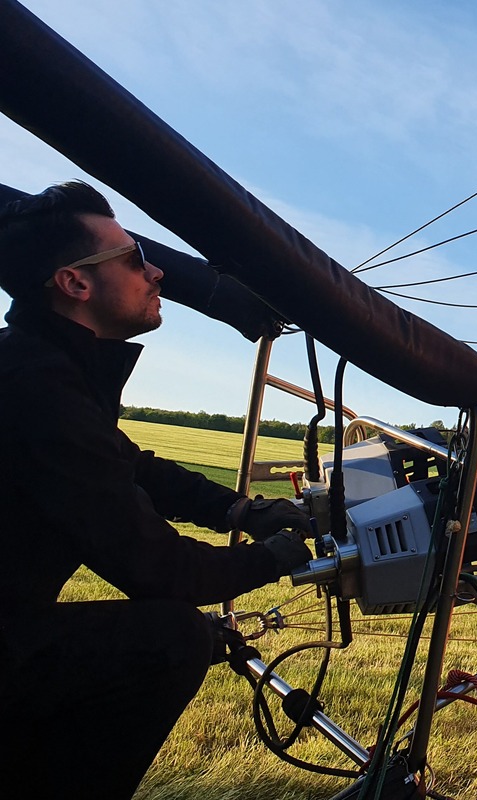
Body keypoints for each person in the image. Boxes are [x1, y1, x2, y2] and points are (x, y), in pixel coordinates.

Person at [0, 181, 315, 799]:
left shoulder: (44, 366)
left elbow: (133, 468)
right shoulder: (38, 389)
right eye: (133, 258)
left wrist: (240, 508)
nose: (157, 271)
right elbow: (155, 566)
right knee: (172, 640)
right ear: (75, 283)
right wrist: (272, 558)